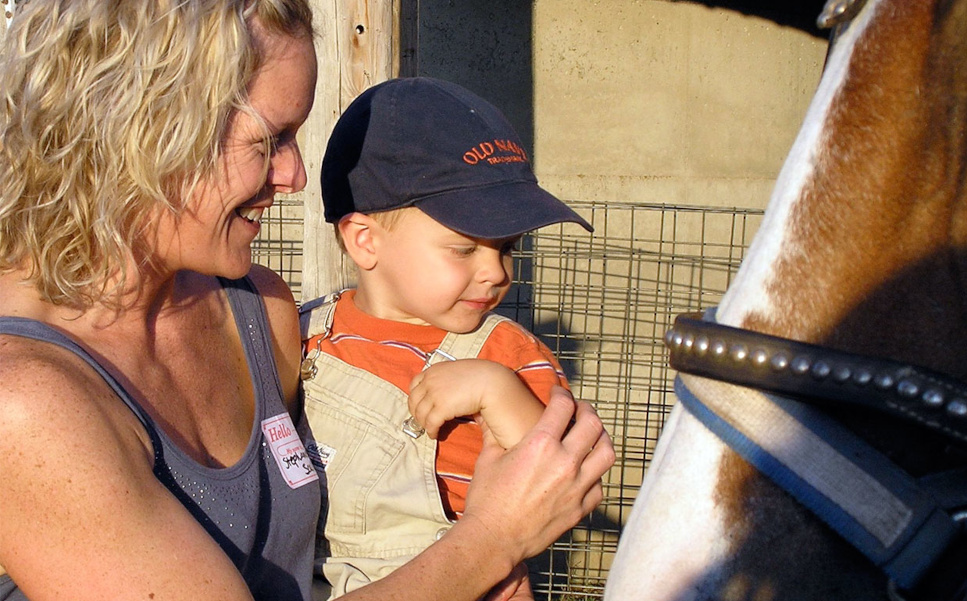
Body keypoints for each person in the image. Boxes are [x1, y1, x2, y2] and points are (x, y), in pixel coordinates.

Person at [0, 2, 615, 601]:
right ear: (145, 130)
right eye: (270, 140)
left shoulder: (259, 311)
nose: (295, 175)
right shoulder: (24, 404)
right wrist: (490, 543)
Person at [300, 77, 595, 600]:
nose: (496, 272)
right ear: (364, 241)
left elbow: (565, 475)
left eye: (507, 248)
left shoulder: (504, 353)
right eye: (464, 250)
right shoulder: (305, 333)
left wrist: (497, 391)